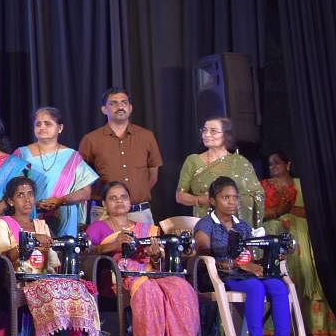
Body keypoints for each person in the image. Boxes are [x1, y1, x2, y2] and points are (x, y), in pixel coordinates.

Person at [194, 176, 306, 336]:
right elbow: (204, 253)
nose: (232, 202)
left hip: (243, 274)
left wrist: (268, 258)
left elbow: (250, 254)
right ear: (213, 200)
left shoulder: (243, 226)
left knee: (279, 287)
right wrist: (240, 265)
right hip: (219, 275)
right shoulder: (206, 225)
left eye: (235, 198)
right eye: (226, 197)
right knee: (255, 287)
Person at [86, 181, 199, 336]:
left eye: (123, 197)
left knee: (181, 287)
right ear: (104, 204)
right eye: (113, 198)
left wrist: (155, 255)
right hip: (118, 279)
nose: (119, 201)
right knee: (147, 289)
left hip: (150, 274)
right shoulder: (98, 228)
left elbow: (158, 264)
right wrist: (110, 246)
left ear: (130, 201)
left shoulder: (147, 229)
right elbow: (85, 254)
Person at [0, 175, 100, 336]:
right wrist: (32, 241)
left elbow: (52, 261)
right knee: (47, 289)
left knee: (78, 289)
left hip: (44, 276)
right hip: (19, 278)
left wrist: (64, 272)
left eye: (30, 195)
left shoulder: (41, 225)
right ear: (10, 201)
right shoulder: (4, 223)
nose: (27, 200)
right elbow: (5, 255)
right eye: (20, 195)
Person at [262, 152, 336, 336]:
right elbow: (258, 214)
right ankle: (282, 329)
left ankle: (314, 328)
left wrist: (289, 210)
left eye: (276, 163)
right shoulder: (264, 186)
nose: (272, 167)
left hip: (302, 236)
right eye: (270, 164)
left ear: (288, 164)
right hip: (276, 235)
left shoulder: (300, 184)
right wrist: (277, 212)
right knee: (282, 276)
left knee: (307, 277)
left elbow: (314, 210)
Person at [77, 87, 162, 224]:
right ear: (104, 109)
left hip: (139, 213)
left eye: (124, 102)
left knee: (145, 246)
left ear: (130, 107)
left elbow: (153, 175)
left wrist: (135, 194)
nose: (120, 106)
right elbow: (80, 178)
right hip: (104, 215)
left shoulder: (146, 136)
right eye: (113, 103)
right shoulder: (91, 139)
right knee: (105, 246)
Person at [14, 107, 97, 237]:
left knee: (62, 254)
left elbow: (86, 193)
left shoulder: (72, 157)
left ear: (60, 128)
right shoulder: (22, 154)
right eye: (38, 124)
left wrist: (60, 201)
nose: (42, 127)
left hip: (64, 218)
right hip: (30, 217)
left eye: (48, 123)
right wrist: (34, 203)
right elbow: (13, 189)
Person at [175, 117, 264, 226]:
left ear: (226, 135)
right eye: (204, 130)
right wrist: (202, 200)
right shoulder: (192, 161)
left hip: (236, 226)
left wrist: (232, 200)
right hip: (205, 226)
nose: (207, 134)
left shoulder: (240, 162)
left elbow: (257, 194)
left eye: (213, 131)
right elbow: (180, 196)